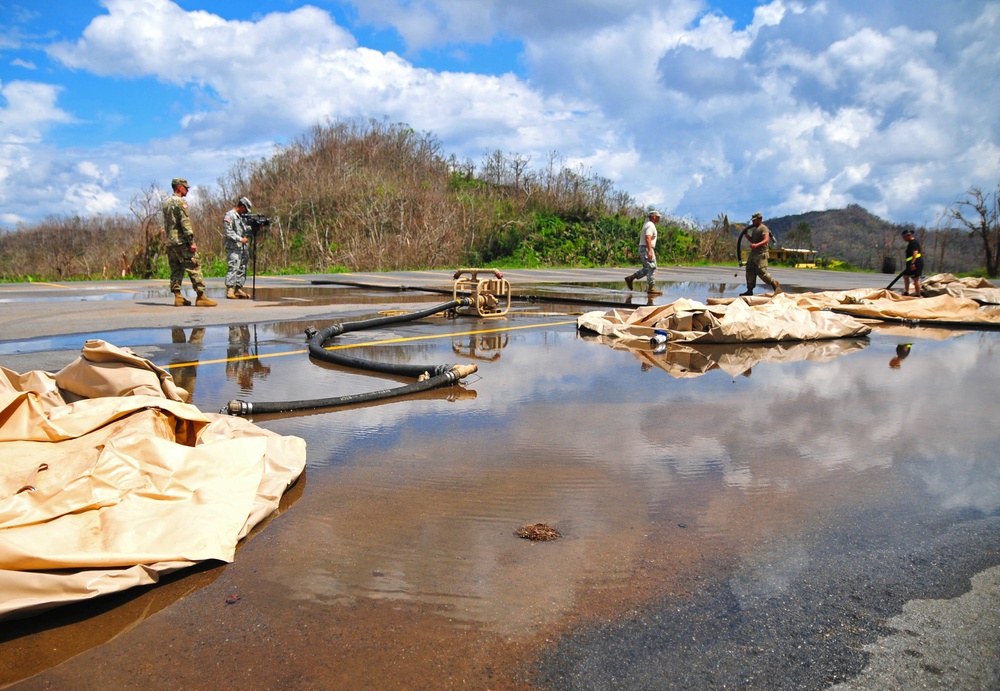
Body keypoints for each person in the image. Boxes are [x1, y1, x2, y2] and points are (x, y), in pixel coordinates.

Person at [162, 178, 217, 307]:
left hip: (170, 242)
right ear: (179, 187)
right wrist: (191, 241)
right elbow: (185, 223)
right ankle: (201, 296)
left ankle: (178, 297)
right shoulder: (180, 202)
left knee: (176, 269)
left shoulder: (166, 203)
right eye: (185, 187)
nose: (187, 189)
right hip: (181, 242)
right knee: (194, 267)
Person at [740, 212, 781, 296]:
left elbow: (766, 239)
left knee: (761, 271)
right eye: (753, 220)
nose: (753, 222)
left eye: (754, 220)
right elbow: (753, 241)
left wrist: (757, 245)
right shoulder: (755, 229)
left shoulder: (763, 228)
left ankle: (774, 284)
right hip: (753, 253)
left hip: (761, 253)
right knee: (750, 270)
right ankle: (749, 290)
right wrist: (747, 236)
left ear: (760, 219)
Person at [625, 209, 663, 295]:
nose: (659, 218)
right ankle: (651, 288)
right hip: (646, 248)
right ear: (654, 217)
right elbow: (648, 237)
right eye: (658, 217)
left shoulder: (648, 224)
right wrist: (650, 251)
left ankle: (631, 278)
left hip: (643, 247)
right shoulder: (650, 225)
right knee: (652, 267)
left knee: (647, 268)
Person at [224, 197, 253, 299]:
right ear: (241, 207)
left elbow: (245, 229)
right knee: (234, 266)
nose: (245, 212)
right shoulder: (230, 215)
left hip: (243, 247)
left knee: (243, 266)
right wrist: (240, 239)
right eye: (245, 209)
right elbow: (229, 232)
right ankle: (230, 289)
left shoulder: (242, 217)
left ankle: (238, 288)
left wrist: (255, 227)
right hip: (234, 247)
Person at [901, 228, 923, 297]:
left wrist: (913, 263)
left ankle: (918, 294)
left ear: (909, 235)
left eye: (905, 237)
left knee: (915, 279)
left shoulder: (914, 243)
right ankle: (906, 291)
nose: (904, 239)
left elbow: (915, 253)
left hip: (916, 263)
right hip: (911, 263)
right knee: (905, 276)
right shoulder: (911, 243)